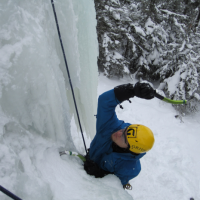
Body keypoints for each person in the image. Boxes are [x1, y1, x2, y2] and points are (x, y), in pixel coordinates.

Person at [85, 82, 155, 189]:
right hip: (90, 158)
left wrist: (101, 173)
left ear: (129, 149)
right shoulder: (110, 127)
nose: (118, 133)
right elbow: (104, 102)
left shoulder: (130, 168)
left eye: (124, 138)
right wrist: (131, 91)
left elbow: (115, 185)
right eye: (124, 130)